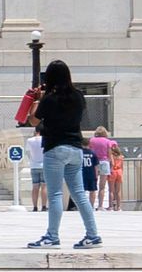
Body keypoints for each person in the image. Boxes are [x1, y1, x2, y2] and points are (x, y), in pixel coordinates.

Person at [20, 58, 101, 250]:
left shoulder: (49, 98)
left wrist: (36, 101)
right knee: (79, 194)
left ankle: (52, 236)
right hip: (76, 148)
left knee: (55, 193)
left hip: (55, 148)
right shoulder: (79, 96)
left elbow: (33, 121)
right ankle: (93, 235)